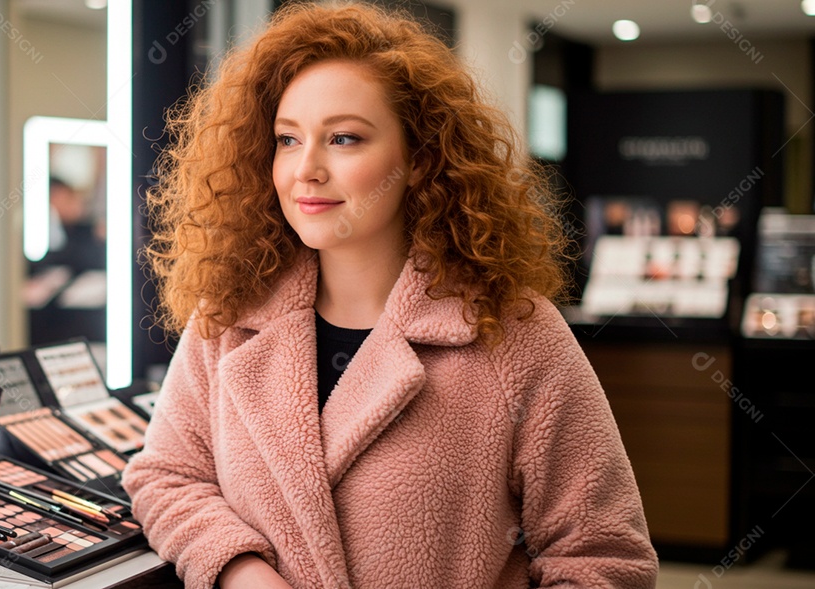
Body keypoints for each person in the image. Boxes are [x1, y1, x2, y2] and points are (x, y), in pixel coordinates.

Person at [122, 3, 658, 588]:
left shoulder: (514, 333)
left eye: (344, 138)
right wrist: (239, 569)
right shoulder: (229, 315)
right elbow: (167, 476)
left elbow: (605, 561)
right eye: (287, 139)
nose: (306, 169)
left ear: (420, 159)